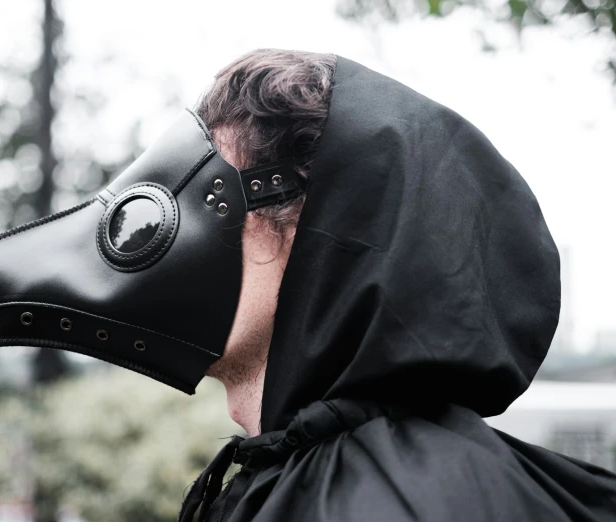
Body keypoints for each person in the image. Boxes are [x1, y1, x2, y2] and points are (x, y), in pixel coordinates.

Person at [177, 49, 616, 522]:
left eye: (213, 199)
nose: (179, 237)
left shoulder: (389, 503)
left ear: (314, 226)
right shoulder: (332, 473)